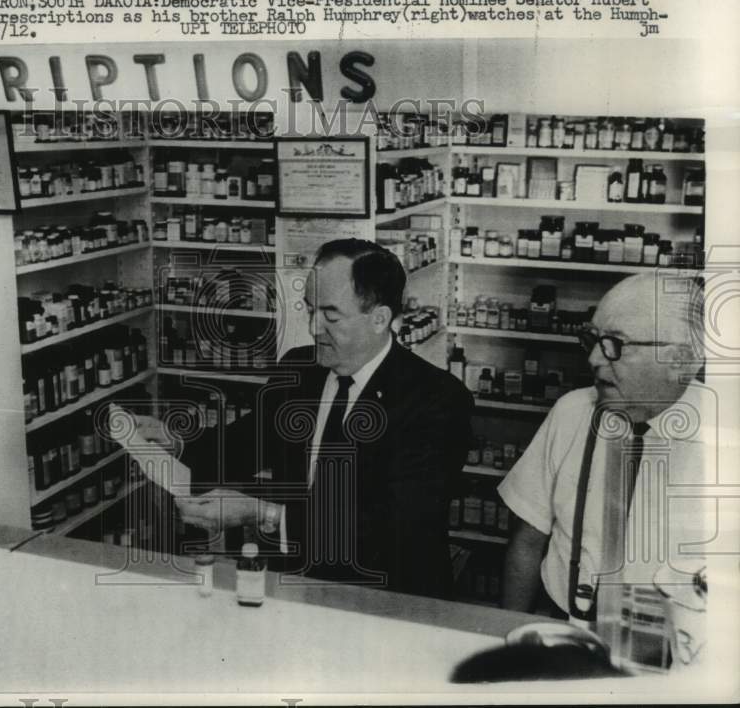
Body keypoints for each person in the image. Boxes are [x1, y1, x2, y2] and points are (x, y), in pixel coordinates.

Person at [176, 238, 474, 598]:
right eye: (310, 309)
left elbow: (394, 526)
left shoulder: (437, 400)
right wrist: (171, 444)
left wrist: (263, 514)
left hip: (386, 599)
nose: (314, 327)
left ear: (379, 319)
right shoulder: (299, 369)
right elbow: (242, 445)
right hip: (296, 588)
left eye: (331, 315)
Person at [498, 272, 708, 622]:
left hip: (681, 640)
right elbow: (527, 541)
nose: (594, 358)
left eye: (616, 344)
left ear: (681, 359)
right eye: (593, 339)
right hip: (569, 624)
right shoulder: (572, 413)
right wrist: (510, 630)